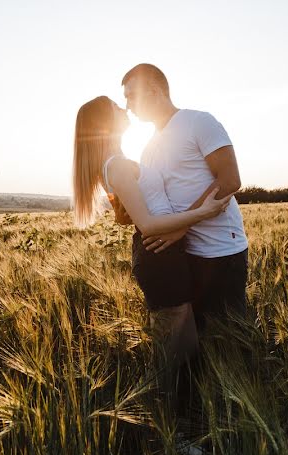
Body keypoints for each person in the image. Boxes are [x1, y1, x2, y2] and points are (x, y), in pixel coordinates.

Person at [71, 95, 234, 402]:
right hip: (158, 256)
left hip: (166, 254)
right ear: (104, 123)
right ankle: (159, 420)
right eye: (115, 107)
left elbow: (135, 212)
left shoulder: (118, 160)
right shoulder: (116, 165)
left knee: (185, 346)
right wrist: (204, 212)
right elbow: (147, 224)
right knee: (171, 352)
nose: (124, 108)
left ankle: (172, 419)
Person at [117, 63, 250, 336]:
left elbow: (229, 180)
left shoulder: (199, 122)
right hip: (181, 256)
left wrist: (180, 227)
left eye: (131, 95)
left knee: (230, 342)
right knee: (198, 344)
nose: (127, 105)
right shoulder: (148, 147)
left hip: (220, 252)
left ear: (153, 91)